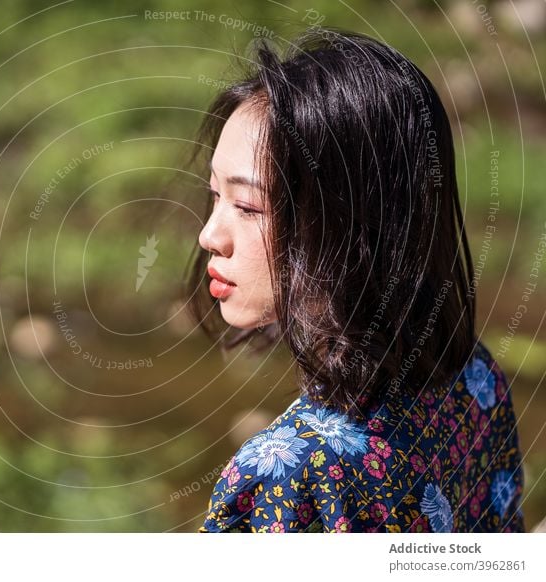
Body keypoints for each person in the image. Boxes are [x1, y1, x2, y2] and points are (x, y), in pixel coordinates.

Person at [184, 28, 525, 533]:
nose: (209, 235)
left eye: (248, 206)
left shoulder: (285, 474)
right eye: (215, 195)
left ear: (351, 222)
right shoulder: (472, 375)